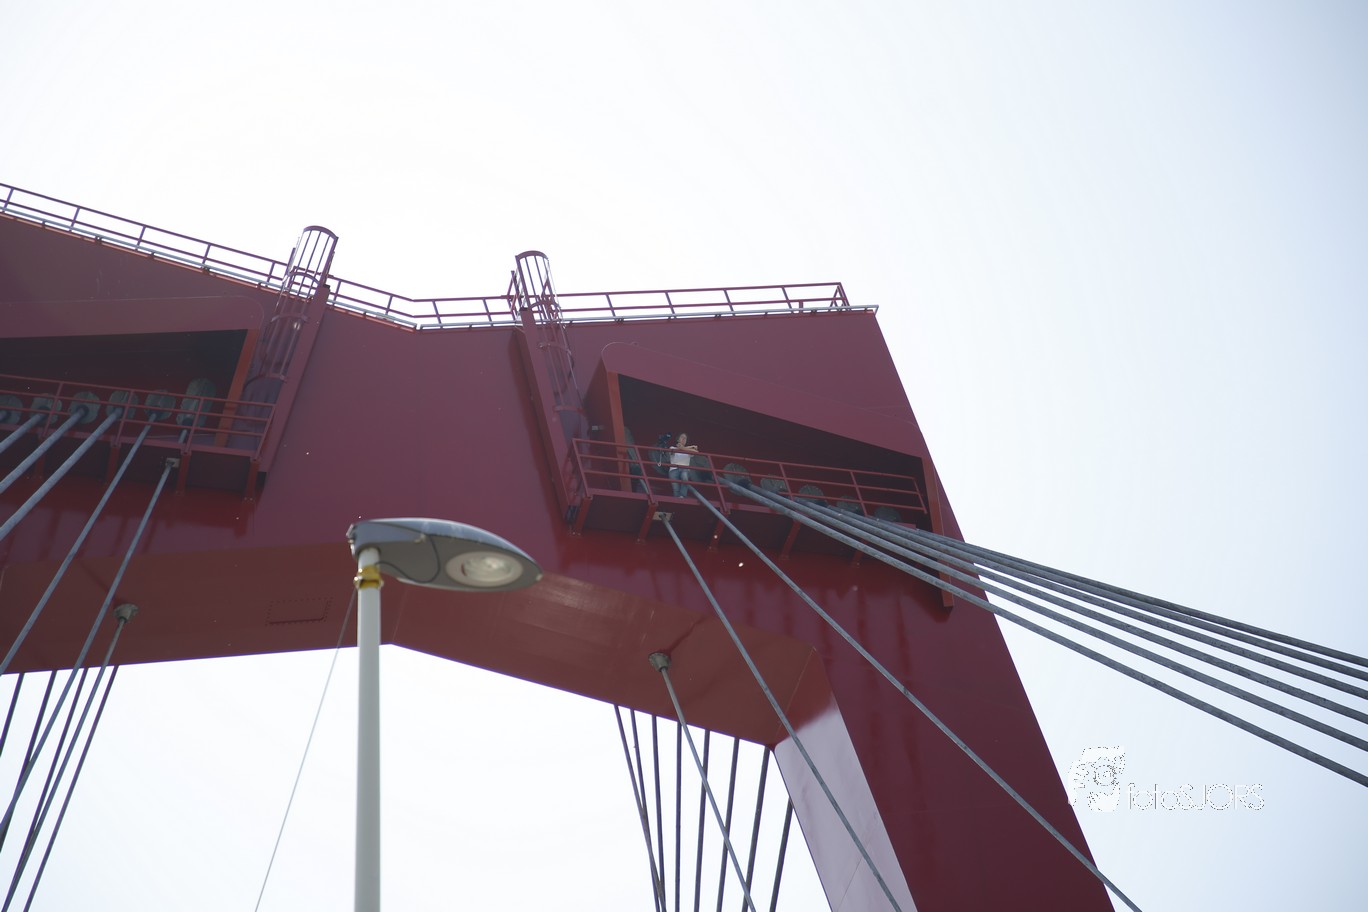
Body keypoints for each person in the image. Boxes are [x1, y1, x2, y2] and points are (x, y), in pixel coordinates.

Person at [667, 432, 699, 497]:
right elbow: (673, 451)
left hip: (684, 469)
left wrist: (684, 448)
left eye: (685, 438)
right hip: (673, 470)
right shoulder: (672, 447)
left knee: (685, 478)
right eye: (682, 437)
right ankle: (677, 499)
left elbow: (696, 452)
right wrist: (691, 447)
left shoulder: (688, 450)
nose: (684, 439)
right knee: (676, 489)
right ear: (678, 439)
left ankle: (682, 496)